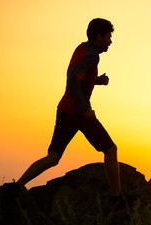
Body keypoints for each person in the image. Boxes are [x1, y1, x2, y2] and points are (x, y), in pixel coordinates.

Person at [17, 18, 122, 197]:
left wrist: (97, 81)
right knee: (110, 150)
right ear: (99, 37)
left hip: (65, 111)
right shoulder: (92, 55)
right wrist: (85, 110)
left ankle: (16, 186)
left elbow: (78, 76)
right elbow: (72, 80)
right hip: (79, 113)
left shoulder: (82, 48)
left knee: (53, 157)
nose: (110, 41)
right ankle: (117, 198)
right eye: (108, 37)